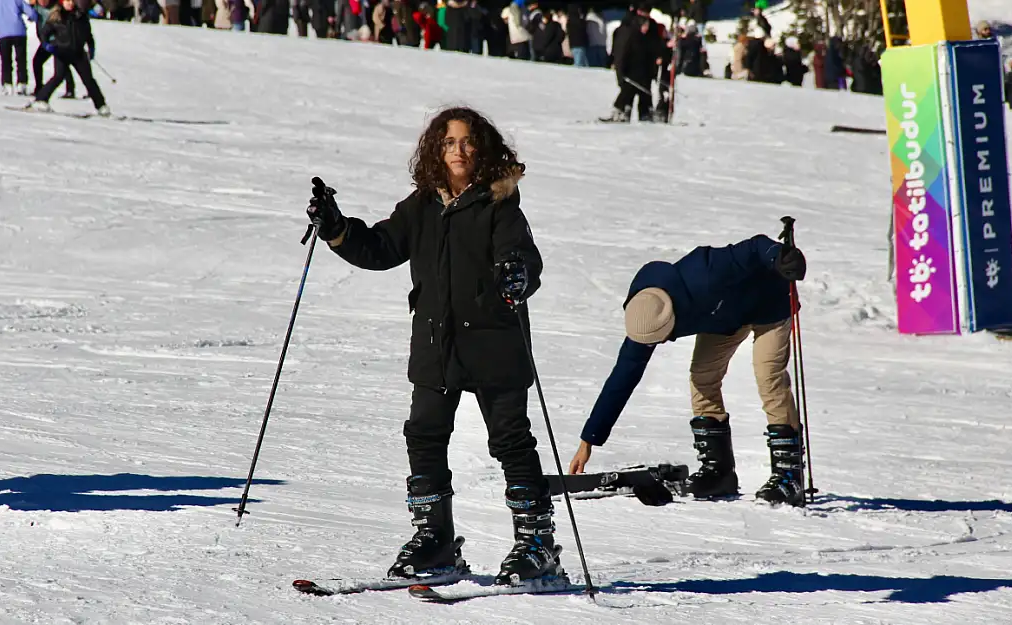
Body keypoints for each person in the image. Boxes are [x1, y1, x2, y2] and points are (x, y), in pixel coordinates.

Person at [304, 107, 564, 586]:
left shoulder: (499, 203)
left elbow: (522, 254)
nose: (458, 151)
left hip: (493, 342)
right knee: (423, 434)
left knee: (509, 439)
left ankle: (536, 544)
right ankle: (435, 542)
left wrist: (517, 274)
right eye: (449, 143)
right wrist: (337, 228)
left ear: (481, 148)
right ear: (435, 149)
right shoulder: (422, 205)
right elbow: (380, 247)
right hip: (434, 343)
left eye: (466, 142)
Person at [568, 234, 811, 507]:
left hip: (770, 303)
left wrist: (778, 256)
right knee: (702, 377)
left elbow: (754, 248)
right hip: (724, 320)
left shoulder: (705, 271)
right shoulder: (646, 316)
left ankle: (788, 476)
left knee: (768, 375)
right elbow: (622, 380)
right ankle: (718, 473)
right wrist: (589, 440)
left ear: (670, 324)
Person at [29, 0, 109, 116]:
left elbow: (88, 35)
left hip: (78, 53)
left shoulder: (80, 16)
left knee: (88, 80)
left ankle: (101, 106)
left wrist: (91, 49)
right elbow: (44, 32)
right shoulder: (56, 15)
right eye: (67, 1)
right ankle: (41, 99)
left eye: (71, 1)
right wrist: (46, 44)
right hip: (61, 52)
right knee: (58, 77)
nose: (70, 3)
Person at [30, 0, 77, 99]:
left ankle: (70, 89)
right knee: (37, 62)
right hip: (46, 41)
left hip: (57, 41)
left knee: (62, 66)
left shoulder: (56, 8)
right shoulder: (37, 7)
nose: (43, 2)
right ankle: (39, 87)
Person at [0, 0, 37, 95]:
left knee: (6, 60)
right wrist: (32, 18)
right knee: (21, 59)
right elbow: (31, 13)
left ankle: (7, 84)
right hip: (18, 31)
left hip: (3, 33)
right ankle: (21, 84)